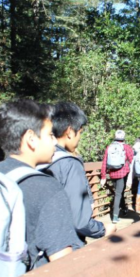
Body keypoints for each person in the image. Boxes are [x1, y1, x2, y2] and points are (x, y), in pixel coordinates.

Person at [0, 99, 83, 269]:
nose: (55, 142)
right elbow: (64, 266)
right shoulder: (47, 188)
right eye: (50, 135)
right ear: (31, 139)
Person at [48, 102, 116, 239]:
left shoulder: (42, 158)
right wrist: (103, 229)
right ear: (69, 132)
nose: (79, 138)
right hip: (67, 241)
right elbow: (80, 222)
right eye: (79, 133)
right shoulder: (69, 163)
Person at [101, 130, 134, 223]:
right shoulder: (126, 147)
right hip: (123, 173)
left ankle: (124, 208)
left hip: (112, 173)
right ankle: (115, 216)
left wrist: (103, 176)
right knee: (118, 193)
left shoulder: (109, 147)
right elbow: (132, 160)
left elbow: (104, 162)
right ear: (124, 138)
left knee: (119, 191)